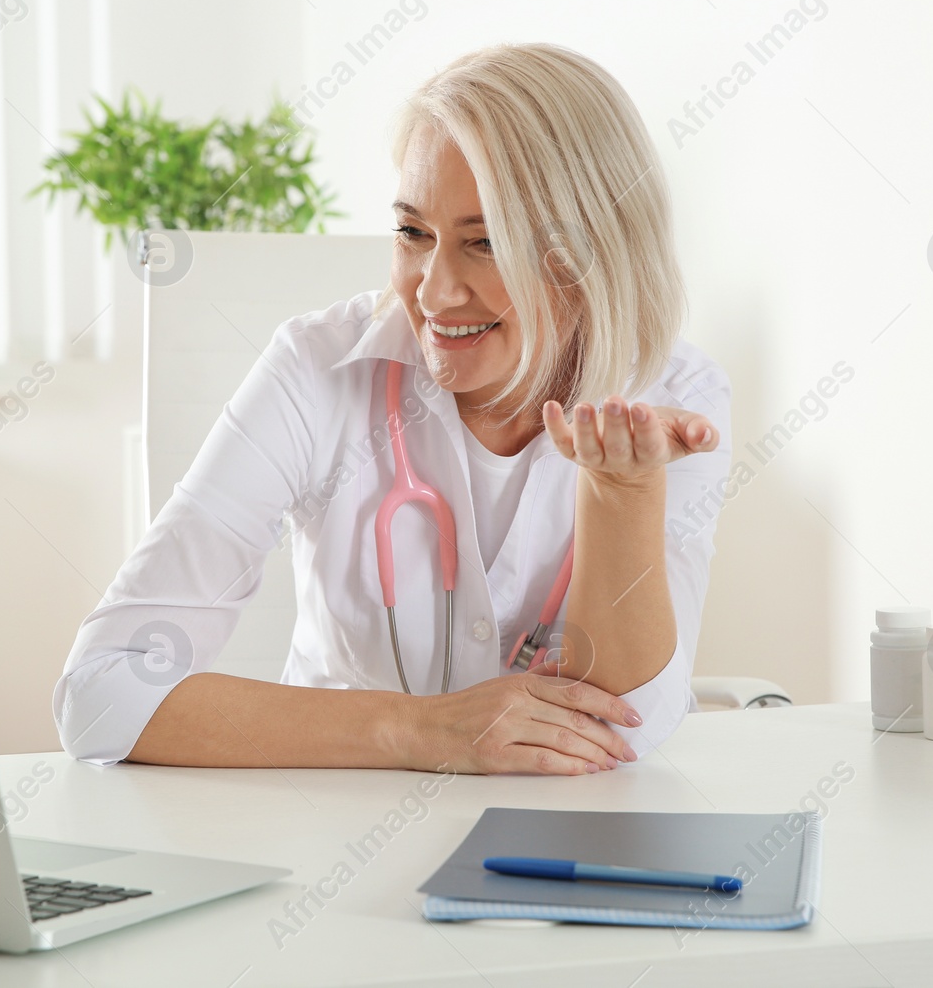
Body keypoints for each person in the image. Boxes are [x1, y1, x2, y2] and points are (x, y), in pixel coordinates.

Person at [54, 43, 732, 776]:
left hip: (564, 850)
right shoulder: (315, 372)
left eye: (486, 243)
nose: (435, 292)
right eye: (414, 233)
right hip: (326, 843)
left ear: (592, 253)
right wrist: (418, 731)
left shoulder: (672, 400)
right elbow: (102, 691)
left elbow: (631, 727)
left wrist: (622, 496)